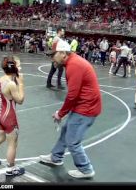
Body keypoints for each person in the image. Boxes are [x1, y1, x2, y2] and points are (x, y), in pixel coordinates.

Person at [39, 40, 102, 179]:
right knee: (66, 131)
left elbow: (73, 95)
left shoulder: (74, 65)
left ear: (63, 53)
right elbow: (75, 94)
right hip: (84, 105)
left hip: (86, 108)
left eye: (53, 54)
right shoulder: (73, 62)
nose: (52, 58)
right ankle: (56, 157)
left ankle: (86, 169)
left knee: (72, 141)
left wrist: (60, 114)